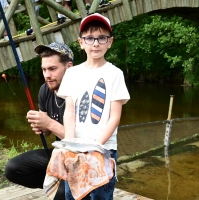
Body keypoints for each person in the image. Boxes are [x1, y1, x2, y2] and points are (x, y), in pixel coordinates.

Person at [57, 13, 130, 199]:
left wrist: (96, 146)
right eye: (89, 38)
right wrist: (70, 145)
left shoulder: (115, 74)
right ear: (81, 42)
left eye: (101, 38)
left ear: (110, 42)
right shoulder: (72, 73)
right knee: (72, 194)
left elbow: (114, 117)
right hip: (76, 149)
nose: (95, 43)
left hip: (104, 150)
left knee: (101, 196)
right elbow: (70, 112)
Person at [5, 42, 74, 200]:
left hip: (84, 159)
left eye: (52, 69)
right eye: (44, 69)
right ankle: (60, 187)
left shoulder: (83, 93)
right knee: (13, 168)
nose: (47, 75)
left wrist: (48, 123)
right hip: (59, 154)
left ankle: (71, 191)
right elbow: (47, 130)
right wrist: (41, 125)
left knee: (62, 195)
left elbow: (84, 142)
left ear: (69, 67)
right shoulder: (45, 89)